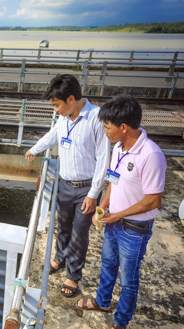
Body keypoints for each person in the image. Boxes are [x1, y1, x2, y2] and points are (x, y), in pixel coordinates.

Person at [76, 95, 167, 329]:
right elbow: (112, 181)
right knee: (107, 264)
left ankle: (121, 322)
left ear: (123, 127)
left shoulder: (151, 154)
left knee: (128, 281)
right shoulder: (118, 147)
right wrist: (103, 207)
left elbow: (154, 200)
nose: (105, 131)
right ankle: (103, 302)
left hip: (134, 230)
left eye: (107, 127)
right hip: (113, 224)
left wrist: (117, 215)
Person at [25, 74, 110, 297]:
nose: (55, 110)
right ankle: (60, 257)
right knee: (62, 226)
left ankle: (73, 276)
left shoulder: (96, 118)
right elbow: (52, 136)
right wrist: (33, 149)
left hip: (86, 189)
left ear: (71, 99)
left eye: (57, 105)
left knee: (79, 233)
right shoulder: (63, 118)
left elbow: (103, 159)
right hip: (64, 184)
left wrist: (94, 194)